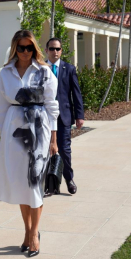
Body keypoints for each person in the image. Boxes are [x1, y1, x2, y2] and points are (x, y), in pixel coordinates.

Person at [0, 30, 59, 257]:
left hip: (39, 131)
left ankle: (34, 235)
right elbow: (0, 109)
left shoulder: (45, 71)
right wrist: (3, 137)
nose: (24, 52)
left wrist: (53, 139)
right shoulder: (5, 73)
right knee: (22, 186)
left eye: (29, 47)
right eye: (20, 48)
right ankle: (27, 232)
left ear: (34, 49)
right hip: (15, 133)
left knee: (35, 183)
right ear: (15, 48)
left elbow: (52, 106)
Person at [45, 38, 84, 195]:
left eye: (58, 49)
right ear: (46, 50)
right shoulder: (40, 69)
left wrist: (79, 115)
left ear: (61, 51)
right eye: (52, 49)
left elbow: (76, 94)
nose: (55, 51)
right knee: (45, 151)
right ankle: (49, 184)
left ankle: (69, 179)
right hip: (44, 117)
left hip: (64, 117)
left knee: (65, 151)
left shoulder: (69, 69)